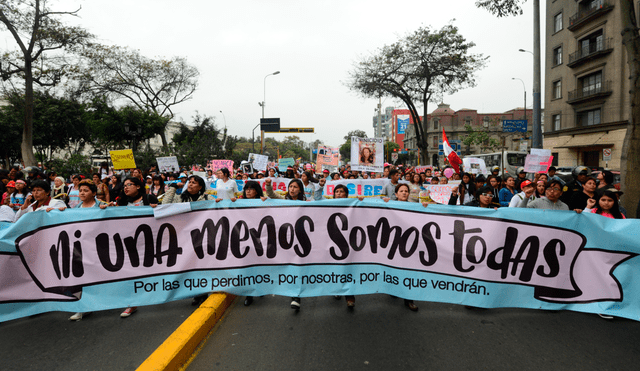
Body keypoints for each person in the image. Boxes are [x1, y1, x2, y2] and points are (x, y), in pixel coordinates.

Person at [113, 177, 158, 318]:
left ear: (138, 186)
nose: (125, 188)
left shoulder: (149, 198)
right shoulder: (121, 202)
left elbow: (161, 216)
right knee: (129, 272)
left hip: (150, 241)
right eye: (124, 186)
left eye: (129, 185)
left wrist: (157, 208)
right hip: (128, 242)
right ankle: (131, 303)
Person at [66, 179, 108, 321]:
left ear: (94, 193)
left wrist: (109, 209)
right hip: (80, 249)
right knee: (79, 278)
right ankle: (82, 307)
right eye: (80, 190)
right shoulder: (75, 210)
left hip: (99, 248)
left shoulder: (102, 206)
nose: (82, 193)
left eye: (86, 190)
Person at [264, 177, 306, 310]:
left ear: (300, 189)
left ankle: (297, 293)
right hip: (286, 238)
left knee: (299, 265)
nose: (292, 189)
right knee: (291, 265)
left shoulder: (307, 202)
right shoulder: (283, 200)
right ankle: (295, 296)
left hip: (302, 238)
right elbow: (271, 194)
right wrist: (268, 186)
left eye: (295, 187)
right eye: (290, 187)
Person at [383, 183, 422, 312]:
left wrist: (426, 208)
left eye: (406, 191)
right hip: (394, 242)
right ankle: (393, 288)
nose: (404, 193)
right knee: (394, 268)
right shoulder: (390, 204)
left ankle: (409, 299)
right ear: (396, 194)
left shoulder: (415, 206)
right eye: (401, 191)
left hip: (410, 243)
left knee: (409, 271)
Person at [239, 181, 267, 307]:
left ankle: (260, 287)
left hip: (260, 238)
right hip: (244, 239)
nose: (248, 191)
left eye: (251, 189)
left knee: (259, 265)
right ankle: (249, 294)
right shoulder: (238, 202)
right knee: (247, 266)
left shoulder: (263, 201)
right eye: (246, 189)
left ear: (257, 191)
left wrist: (266, 201)